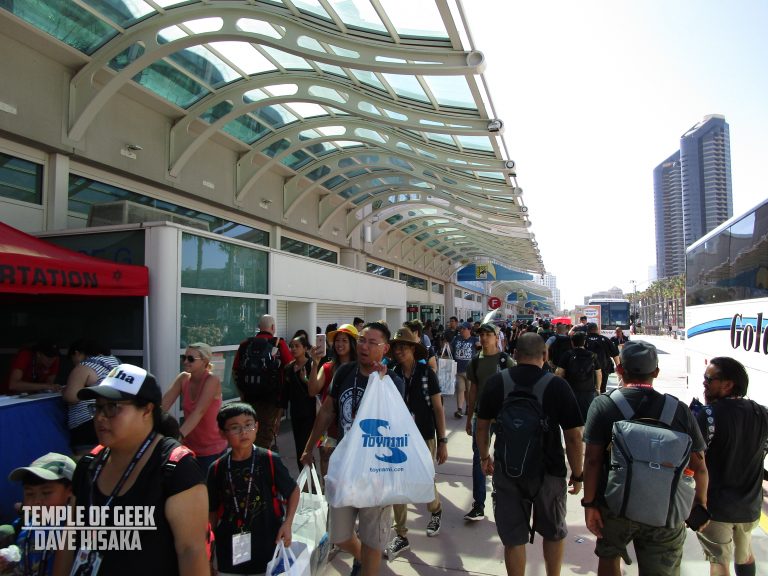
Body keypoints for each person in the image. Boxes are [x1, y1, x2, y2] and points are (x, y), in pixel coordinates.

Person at [57, 363, 210, 575]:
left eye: (112, 408)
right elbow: (70, 537)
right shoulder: (88, 465)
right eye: (98, 408)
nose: (100, 417)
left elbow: (191, 552)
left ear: (147, 410)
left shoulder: (176, 468)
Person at [582, 341, 708, 576]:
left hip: (614, 505)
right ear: (656, 373)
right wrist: (699, 504)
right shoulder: (678, 409)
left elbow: (592, 460)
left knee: (609, 559)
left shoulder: (604, 405)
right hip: (665, 508)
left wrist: (590, 504)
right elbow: (699, 465)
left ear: (620, 370)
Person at [300, 321, 404, 576]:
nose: (364, 347)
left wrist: (381, 384)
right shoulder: (345, 372)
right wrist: (308, 446)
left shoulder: (392, 382)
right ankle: (363, 558)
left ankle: (368, 564)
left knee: (373, 540)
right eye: (363, 341)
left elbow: (396, 426)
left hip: (376, 471)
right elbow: (327, 411)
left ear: (385, 348)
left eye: (372, 342)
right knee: (340, 535)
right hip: (345, 467)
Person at [475, 333, 584, 576]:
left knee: (514, 538)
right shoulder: (557, 385)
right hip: (549, 471)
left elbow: (482, 425)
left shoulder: (497, 382)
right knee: (553, 532)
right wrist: (577, 474)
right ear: (545, 356)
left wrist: (484, 457)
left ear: (515, 354)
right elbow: (574, 436)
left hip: (508, 469)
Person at [692, 357, 768, 576]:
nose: (704, 382)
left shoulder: (707, 415)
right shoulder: (762, 413)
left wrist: (697, 502)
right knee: (745, 555)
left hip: (715, 507)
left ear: (728, 384)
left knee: (718, 561)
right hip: (749, 506)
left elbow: (695, 460)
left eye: (709, 379)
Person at [207, 402, 300, 576]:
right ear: (222, 433)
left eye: (248, 425)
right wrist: (209, 550)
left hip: (267, 544)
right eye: (235, 428)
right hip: (229, 549)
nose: (243, 432)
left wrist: (288, 523)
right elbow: (211, 510)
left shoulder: (269, 460)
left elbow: (293, 491)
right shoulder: (217, 468)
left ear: (256, 427)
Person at [385, 327, 448, 559]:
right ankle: (401, 535)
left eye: (403, 346)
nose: (399, 351)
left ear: (413, 348)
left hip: (425, 436)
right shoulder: (391, 373)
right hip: (398, 439)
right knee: (398, 485)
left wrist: (442, 441)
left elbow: (438, 408)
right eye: (396, 347)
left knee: (424, 480)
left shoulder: (426, 373)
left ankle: (436, 510)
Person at [464, 322, 513, 522]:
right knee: (479, 458)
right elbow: (473, 390)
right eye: (481, 335)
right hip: (480, 418)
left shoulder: (505, 361)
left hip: (502, 418)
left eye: (488, 335)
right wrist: (469, 418)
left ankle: (505, 501)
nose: (484, 338)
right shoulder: (475, 362)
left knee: (503, 458)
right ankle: (478, 504)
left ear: (496, 337)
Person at [0, 453, 76, 575]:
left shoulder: (78, 530)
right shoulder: (23, 525)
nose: (36, 501)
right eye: (29, 494)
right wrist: (10, 565)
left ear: (71, 491)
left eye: (46, 493)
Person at [162, 342, 227, 473]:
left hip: (211, 449)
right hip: (189, 446)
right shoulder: (183, 378)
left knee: (207, 490)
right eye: (184, 358)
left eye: (191, 359)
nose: (185, 361)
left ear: (205, 361)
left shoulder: (212, 380)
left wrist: (177, 437)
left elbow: (199, 411)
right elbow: (163, 406)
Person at [232, 314, 293, 450]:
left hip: (249, 398)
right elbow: (290, 367)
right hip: (271, 400)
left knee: (248, 429)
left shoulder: (245, 344)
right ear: (273, 327)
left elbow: (235, 371)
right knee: (265, 433)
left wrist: (242, 393)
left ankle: (249, 456)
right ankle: (261, 461)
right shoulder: (278, 343)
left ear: (259, 327)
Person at [307, 323, 358, 478]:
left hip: (354, 429)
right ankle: (329, 500)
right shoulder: (328, 367)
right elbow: (312, 390)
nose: (339, 344)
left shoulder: (361, 369)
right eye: (337, 340)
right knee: (327, 464)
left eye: (344, 340)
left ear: (352, 343)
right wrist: (315, 364)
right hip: (329, 429)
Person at [280, 334, 316, 463]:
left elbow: (316, 389)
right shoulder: (288, 368)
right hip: (296, 413)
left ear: (305, 348)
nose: (293, 349)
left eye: (297, 346)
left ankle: (311, 478)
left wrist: (305, 380)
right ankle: (305, 479)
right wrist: (278, 417)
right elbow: (285, 394)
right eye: (291, 346)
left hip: (310, 414)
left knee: (306, 448)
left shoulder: (312, 365)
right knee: (299, 449)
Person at [555, 332, 601, 420]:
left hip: (570, 391)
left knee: (571, 419)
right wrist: (598, 388)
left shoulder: (567, 354)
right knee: (587, 418)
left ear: (572, 342)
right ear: (584, 342)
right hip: (588, 391)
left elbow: (559, 373)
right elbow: (598, 373)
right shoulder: (592, 355)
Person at [451, 322, 478, 418]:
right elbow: (451, 350)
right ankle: (459, 410)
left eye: (464, 329)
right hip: (458, 370)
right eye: (460, 329)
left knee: (469, 391)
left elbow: (481, 350)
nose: (461, 330)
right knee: (460, 389)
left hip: (470, 371)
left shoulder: (474, 340)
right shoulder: (456, 339)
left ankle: (469, 407)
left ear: (469, 330)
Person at [585, 323, 620, 394]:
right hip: (603, 368)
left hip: (586, 369)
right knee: (602, 389)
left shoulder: (584, 339)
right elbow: (615, 354)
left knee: (587, 389)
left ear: (587, 330)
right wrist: (618, 368)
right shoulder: (605, 339)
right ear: (597, 330)